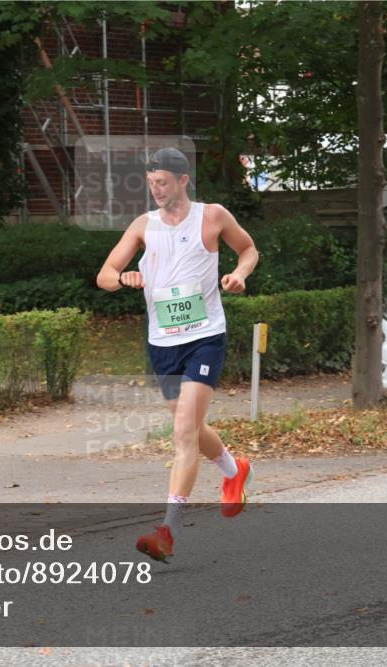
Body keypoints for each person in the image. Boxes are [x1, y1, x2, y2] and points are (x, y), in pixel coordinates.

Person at [96, 147, 259, 562]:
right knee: (191, 425)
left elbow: (248, 249)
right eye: (151, 183)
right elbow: (105, 275)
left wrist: (238, 275)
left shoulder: (213, 215)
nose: (156, 189)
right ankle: (233, 469)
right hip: (161, 343)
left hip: (205, 336)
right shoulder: (143, 225)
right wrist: (123, 277)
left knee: (184, 433)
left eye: (163, 182)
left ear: (184, 180)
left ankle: (167, 530)